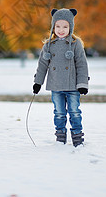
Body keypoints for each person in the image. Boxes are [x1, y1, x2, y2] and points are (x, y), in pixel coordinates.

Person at [33, 8, 89, 147]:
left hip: (72, 87)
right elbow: (42, 65)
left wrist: (82, 83)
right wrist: (37, 83)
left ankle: (77, 137)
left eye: (65, 26)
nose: (61, 30)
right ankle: (60, 137)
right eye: (58, 26)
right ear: (53, 27)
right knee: (59, 112)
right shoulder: (48, 45)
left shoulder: (76, 44)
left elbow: (82, 64)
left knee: (74, 111)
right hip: (56, 86)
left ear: (71, 26)